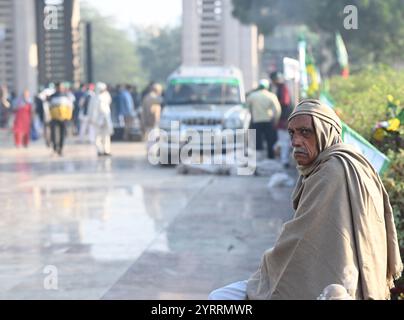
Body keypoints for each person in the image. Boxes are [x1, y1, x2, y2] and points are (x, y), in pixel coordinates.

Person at [209, 99, 403, 300]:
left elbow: (300, 240)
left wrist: (270, 262)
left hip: (339, 283)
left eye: (305, 132)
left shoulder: (331, 171)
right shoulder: (345, 160)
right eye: (292, 133)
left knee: (220, 298)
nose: (295, 141)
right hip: (342, 275)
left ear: (325, 132)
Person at [246, 79, 281, 159]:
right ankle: (270, 156)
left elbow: (246, 107)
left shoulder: (252, 96)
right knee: (270, 140)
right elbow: (277, 109)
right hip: (268, 120)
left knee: (258, 140)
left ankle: (258, 158)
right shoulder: (271, 96)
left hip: (256, 121)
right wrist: (276, 120)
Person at [270, 71, 293, 168]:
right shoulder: (279, 88)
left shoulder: (282, 88)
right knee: (284, 141)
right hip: (284, 118)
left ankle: (284, 161)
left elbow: (285, 102)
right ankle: (284, 159)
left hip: (284, 118)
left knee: (284, 141)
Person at [88, 82, 114, 157]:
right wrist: (93, 119)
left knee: (106, 136)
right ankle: (100, 150)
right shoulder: (95, 98)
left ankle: (107, 150)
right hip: (97, 120)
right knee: (98, 136)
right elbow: (93, 110)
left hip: (105, 119)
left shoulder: (106, 96)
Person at [48, 82, 74, 156]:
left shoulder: (67, 96)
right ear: (56, 88)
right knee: (54, 134)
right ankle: (55, 148)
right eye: (59, 87)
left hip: (64, 118)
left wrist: (69, 117)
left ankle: (61, 149)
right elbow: (48, 107)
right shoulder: (52, 97)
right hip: (54, 118)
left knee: (62, 134)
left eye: (61, 87)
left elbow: (70, 107)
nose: (60, 89)